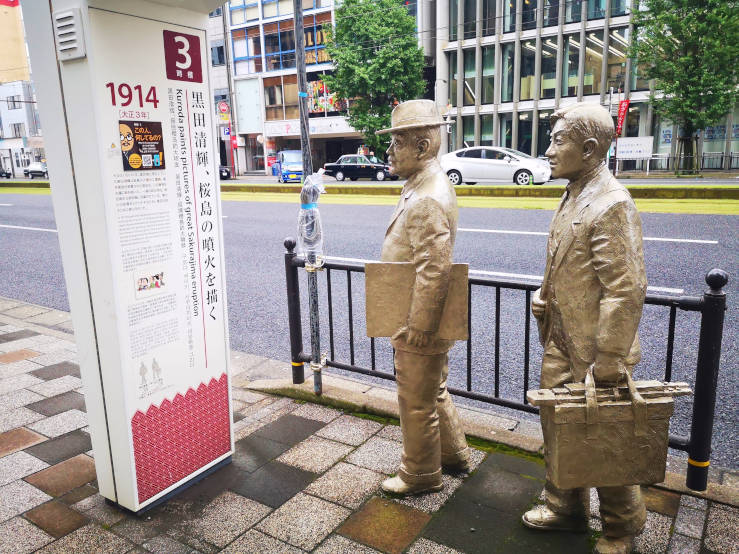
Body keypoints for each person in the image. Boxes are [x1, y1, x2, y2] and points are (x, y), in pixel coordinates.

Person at [523, 103, 647, 554]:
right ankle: (564, 505)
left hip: (597, 351)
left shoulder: (612, 202)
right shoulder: (574, 191)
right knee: (558, 425)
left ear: (589, 149)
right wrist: (544, 295)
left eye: (559, 141)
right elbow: (563, 260)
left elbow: (626, 288)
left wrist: (611, 359)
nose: (550, 151)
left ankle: (620, 528)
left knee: (605, 438)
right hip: (562, 335)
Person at [375, 100, 469, 496]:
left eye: (397, 142)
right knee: (434, 389)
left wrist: (419, 325)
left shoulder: (428, 195)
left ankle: (419, 475)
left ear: (423, 147)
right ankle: (455, 454)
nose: (389, 151)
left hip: (418, 321)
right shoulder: (422, 186)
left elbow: (435, 269)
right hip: (416, 314)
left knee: (415, 400)